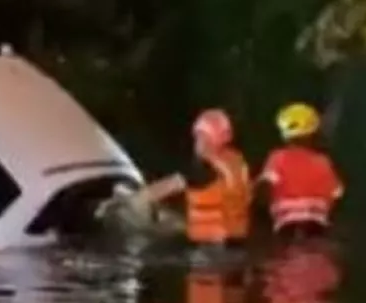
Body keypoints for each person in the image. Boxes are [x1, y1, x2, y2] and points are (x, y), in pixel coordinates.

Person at [105, 108, 251, 247]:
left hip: (208, 249)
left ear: (207, 138)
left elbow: (152, 194)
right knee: (172, 220)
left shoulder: (202, 169)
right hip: (235, 243)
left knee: (138, 220)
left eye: (200, 136)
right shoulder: (236, 162)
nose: (197, 143)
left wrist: (119, 204)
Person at [256, 103, 343, 237]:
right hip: (316, 224)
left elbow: (265, 188)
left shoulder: (277, 158)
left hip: (286, 223)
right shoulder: (323, 161)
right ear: (314, 133)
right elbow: (336, 194)